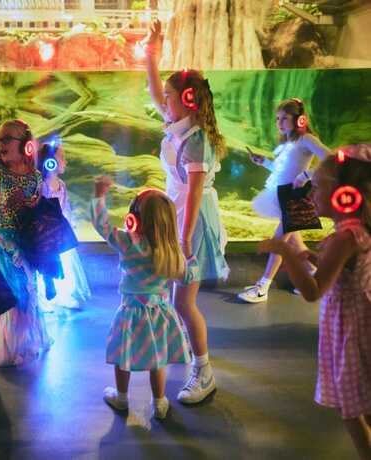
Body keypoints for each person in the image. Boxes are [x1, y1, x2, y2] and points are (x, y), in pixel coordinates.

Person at [259, 145, 371, 460]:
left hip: (351, 329)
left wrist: (287, 253)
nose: (312, 193)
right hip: (358, 321)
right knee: (362, 401)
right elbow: (340, 269)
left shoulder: (342, 239)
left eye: (319, 187)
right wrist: (313, 256)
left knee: (352, 410)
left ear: (343, 195)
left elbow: (313, 290)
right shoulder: (352, 232)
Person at [145, 20, 229, 404]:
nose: (163, 99)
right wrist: (151, 52)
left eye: (170, 95)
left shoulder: (196, 140)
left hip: (190, 222)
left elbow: (194, 193)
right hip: (176, 216)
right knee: (169, 293)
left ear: (189, 99)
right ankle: (188, 353)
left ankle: (204, 370)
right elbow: (152, 89)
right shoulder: (179, 126)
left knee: (182, 300)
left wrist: (183, 236)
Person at [90, 176, 198, 419]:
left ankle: (121, 397)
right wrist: (193, 264)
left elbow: (101, 225)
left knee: (122, 356)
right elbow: (187, 276)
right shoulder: (171, 251)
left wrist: (99, 195)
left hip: (130, 312)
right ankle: (159, 402)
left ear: (133, 219)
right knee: (158, 358)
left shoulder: (128, 242)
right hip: (160, 312)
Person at [0, 74, 52, 366]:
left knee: (28, 290)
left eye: (7, 138)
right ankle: (13, 346)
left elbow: (38, 209)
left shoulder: (34, 176)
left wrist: (32, 204)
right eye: (0, 138)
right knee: (16, 290)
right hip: (6, 241)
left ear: (24, 145)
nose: (0, 142)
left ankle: (27, 341)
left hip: (28, 241)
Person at [238, 97, 331, 303]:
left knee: (280, 242)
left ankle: (263, 286)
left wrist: (307, 175)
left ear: (299, 119)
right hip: (282, 195)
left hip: (295, 199)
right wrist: (264, 163)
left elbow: (331, 159)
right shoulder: (289, 141)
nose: (279, 123)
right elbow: (283, 170)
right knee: (294, 242)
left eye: (285, 118)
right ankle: (314, 276)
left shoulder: (307, 139)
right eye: (277, 118)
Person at [36, 141, 91, 312]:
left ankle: (64, 295)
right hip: (46, 235)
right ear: (50, 160)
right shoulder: (40, 185)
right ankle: (45, 299)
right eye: (62, 157)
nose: (65, 162)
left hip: (61, 232)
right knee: (48, 264)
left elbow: (65, 207)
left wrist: (69, 225)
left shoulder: (62, 185)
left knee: (65, 263)